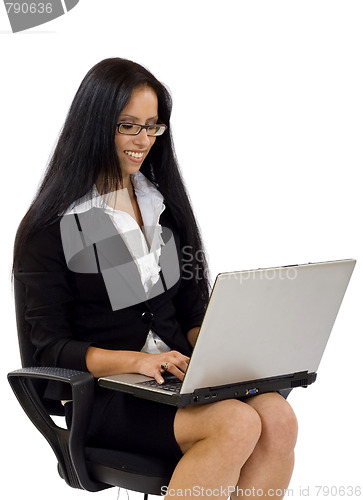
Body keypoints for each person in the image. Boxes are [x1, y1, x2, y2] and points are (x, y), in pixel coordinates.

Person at [13, 58, 298, 499]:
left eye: (152, 126)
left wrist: (223, 347)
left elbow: (188, 309)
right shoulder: (52, 228)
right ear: (95, 125)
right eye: (129, 126)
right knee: (236, 423)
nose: (143, 140)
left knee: (279, 418)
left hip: (178, 380)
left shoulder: (161, 207)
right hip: (110, 397)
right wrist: (138, 361)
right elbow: (49, 348)